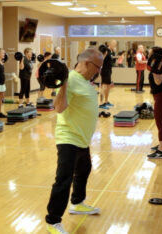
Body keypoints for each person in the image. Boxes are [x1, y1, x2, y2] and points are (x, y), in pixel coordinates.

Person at [46, 48, 103, 234]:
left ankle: (77, 203)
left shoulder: (85, 81)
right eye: (97, 67)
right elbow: (59, 108)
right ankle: (52, 221)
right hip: (69, 138)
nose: (99, 71)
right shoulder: (70, 80)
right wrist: (63, 85)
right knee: (64, 180)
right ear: (86, 63)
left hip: (81, 139)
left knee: (84, 170)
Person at [147, 47, 162, 159]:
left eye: (150, 53)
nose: (148, 54)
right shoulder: (160, 66)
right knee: (161, 123)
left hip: (161, 97)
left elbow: (158, 82)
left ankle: (161, 151)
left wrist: (156, 74)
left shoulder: (157, 67)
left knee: (160, 124)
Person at [99, 40, 117, 109]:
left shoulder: (110, 51)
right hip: (105, 70)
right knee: (104, 86)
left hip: (109, 70)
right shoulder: (106, 51)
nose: (114, 46)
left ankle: (106, 101)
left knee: (108, 86)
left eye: (115, 44)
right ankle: (101, 103)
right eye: (113, 44)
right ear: (110, 44)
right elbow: (101, 59)